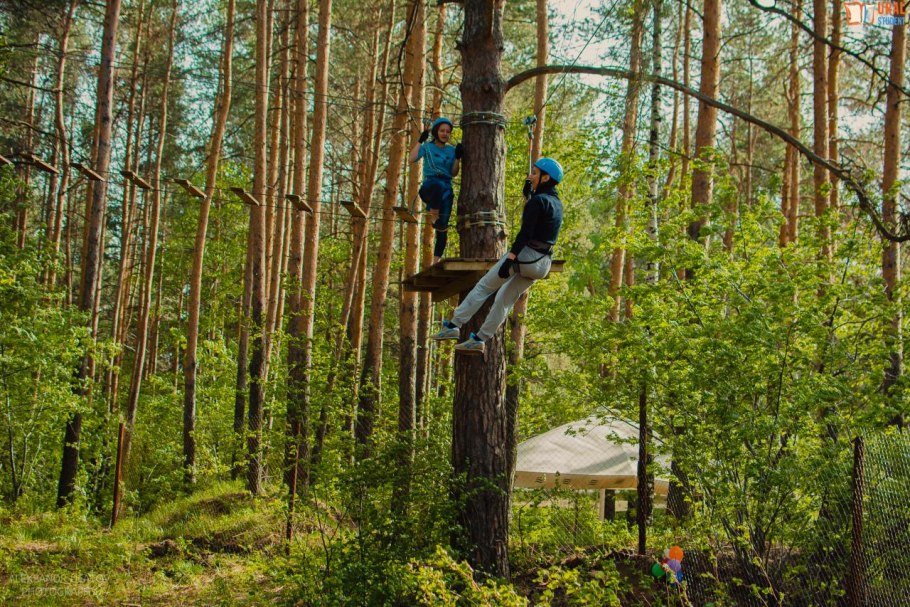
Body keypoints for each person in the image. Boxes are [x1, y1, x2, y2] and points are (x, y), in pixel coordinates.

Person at [431, 157, 564, 355]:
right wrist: (530, 197)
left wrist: (510, 259)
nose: (530, 176)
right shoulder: (557, 204)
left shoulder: (538, 202)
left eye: (534, 173)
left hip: (525, 257)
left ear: (545, 178)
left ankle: (453, 324)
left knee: (485, 286)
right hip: (542, 264)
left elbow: (525, 234)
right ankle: (480, 339)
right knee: (504, 300)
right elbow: (542, 224)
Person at [409, 117, 463, 263]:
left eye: (448, 132)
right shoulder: (427, 147)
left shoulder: (451, 150)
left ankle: (436, 260)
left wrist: (458, 158)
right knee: (438, 186)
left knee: (443, 227)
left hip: (446, 189)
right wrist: (421, 140)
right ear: (436, 132)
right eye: (442, 131)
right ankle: (434, 214)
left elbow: (453, 173)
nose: (445, 134)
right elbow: (412, 158)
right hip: (430, 187)